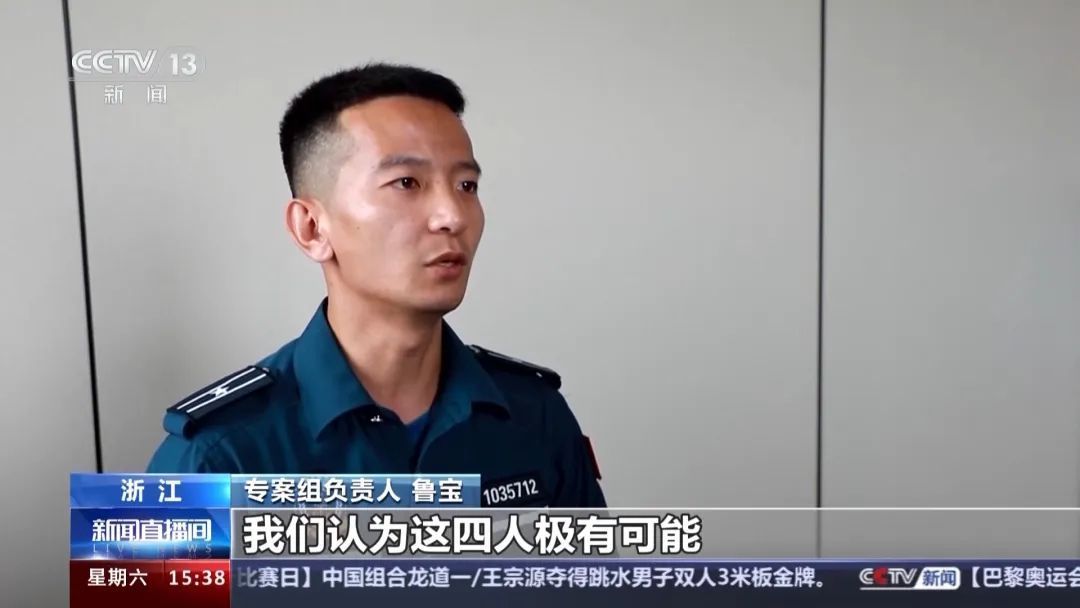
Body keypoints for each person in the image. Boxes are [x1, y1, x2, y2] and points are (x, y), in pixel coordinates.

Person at [146, 63, 605, 508]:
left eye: (466, 185)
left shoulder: (534, 416)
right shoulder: (213, 457)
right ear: (311, 228)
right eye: (406, 182)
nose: (452, 216)